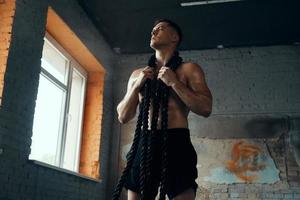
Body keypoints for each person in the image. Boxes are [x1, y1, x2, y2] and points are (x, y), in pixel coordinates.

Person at [116, 19, 213, 200]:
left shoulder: (189, 69)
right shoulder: (138, 75)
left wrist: (174, 82)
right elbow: (122, 116)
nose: (153, 33)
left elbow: (206, 108)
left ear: (174, 37)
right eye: (152, 30)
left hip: (176, 140)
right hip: (144, 140)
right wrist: (137, 86)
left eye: (159, 29)